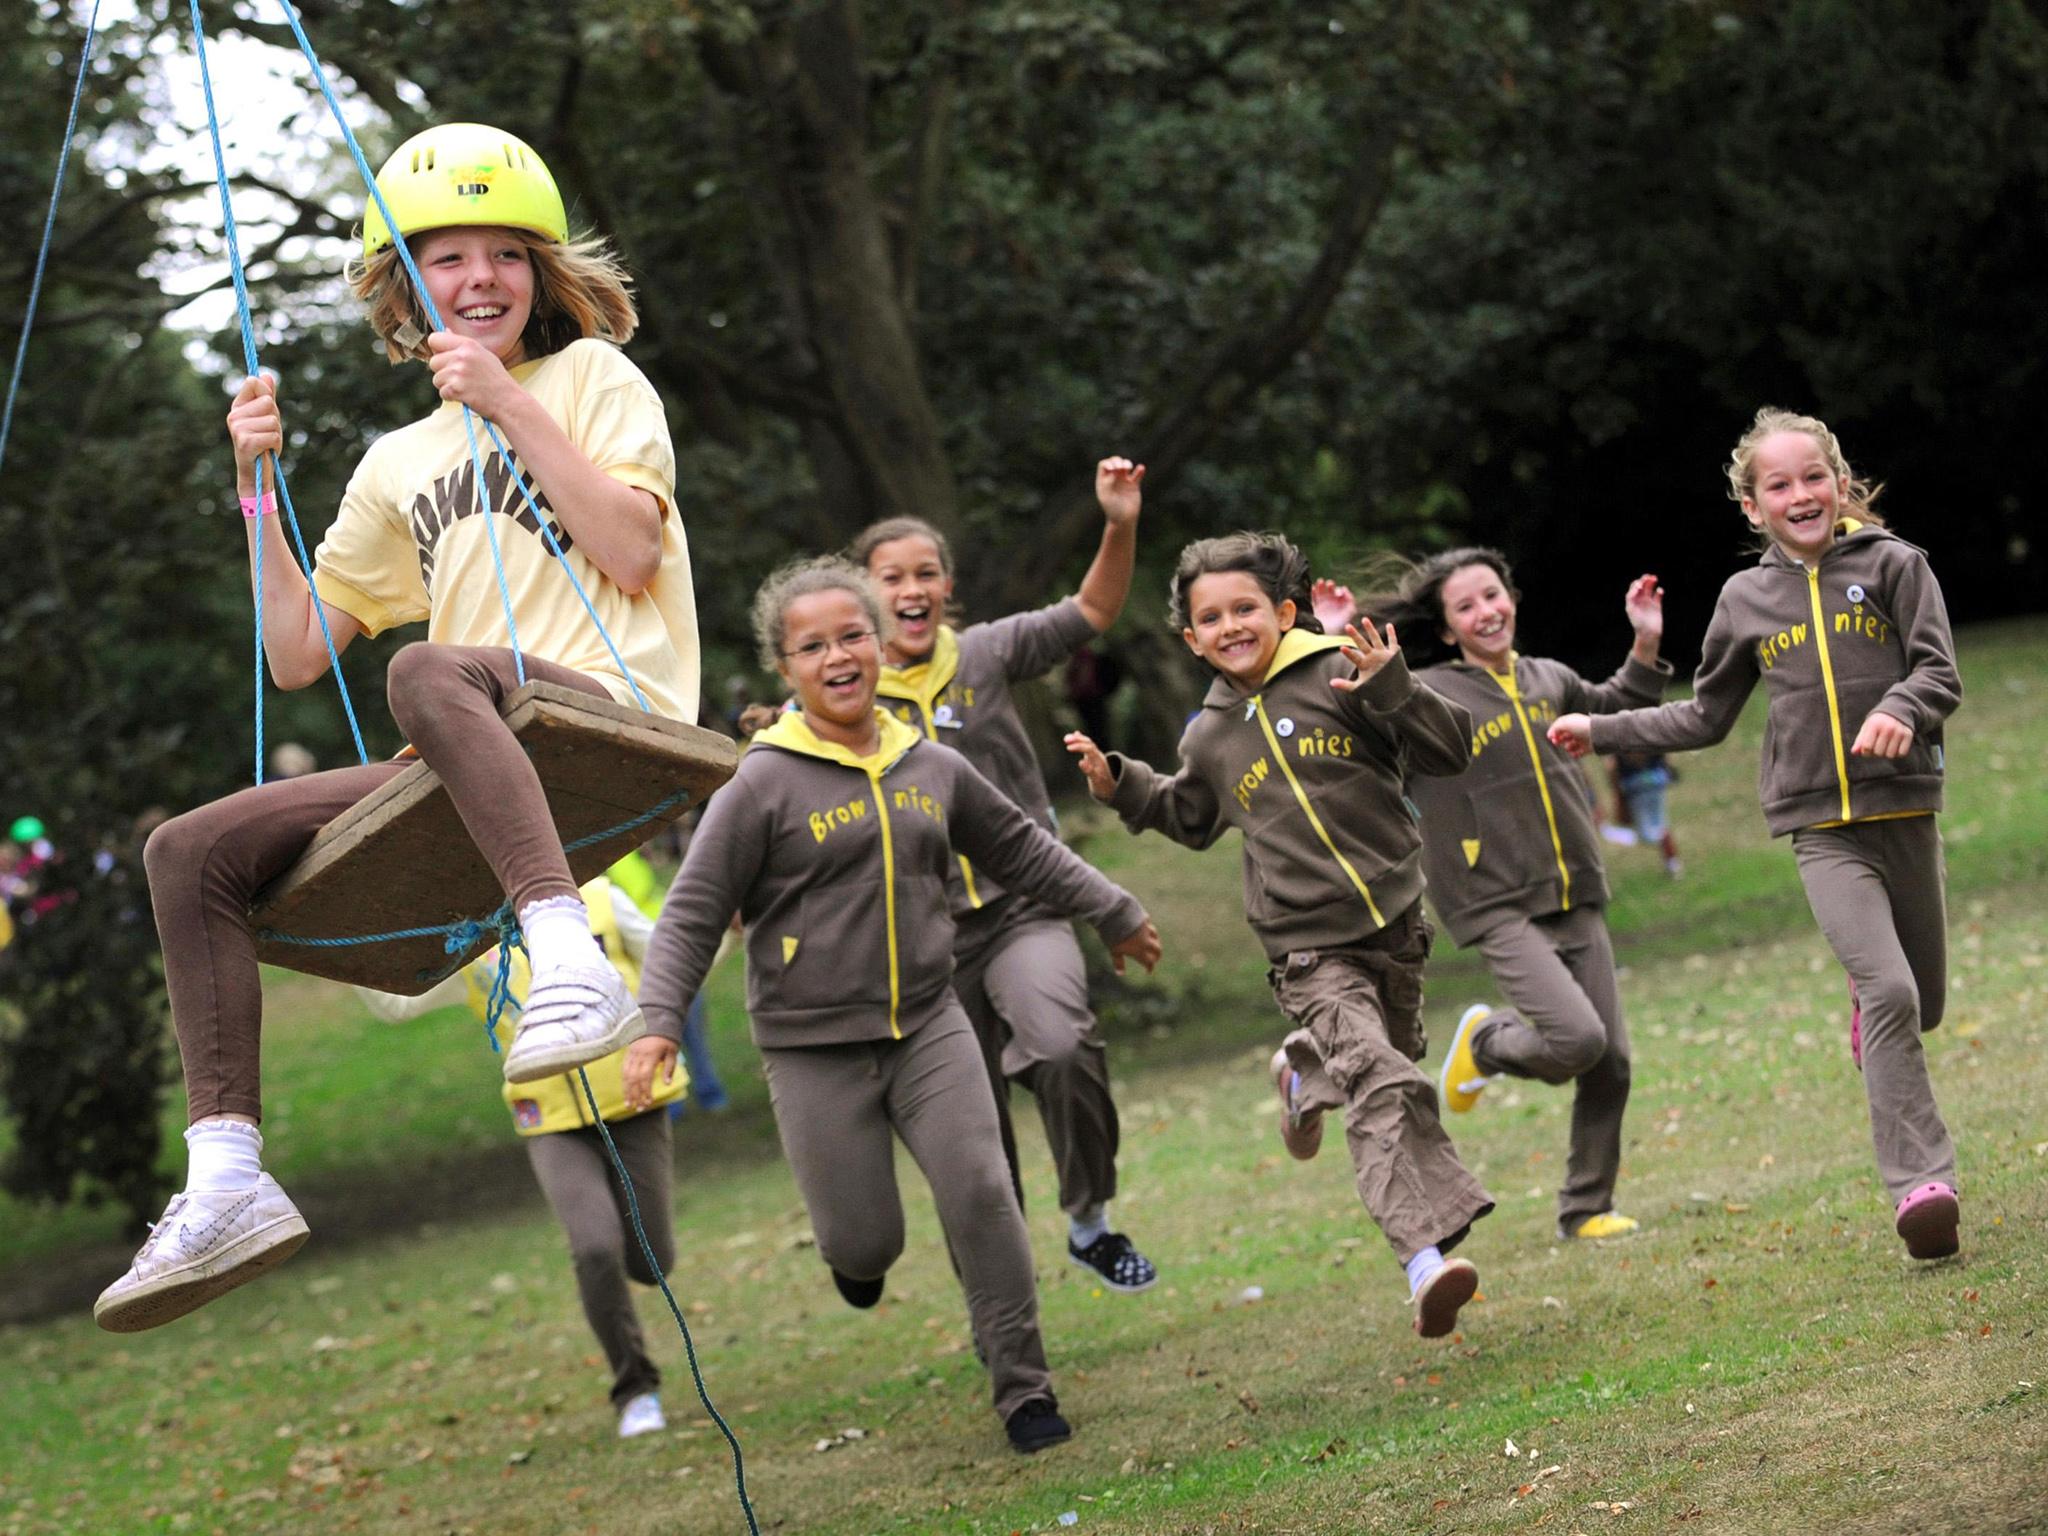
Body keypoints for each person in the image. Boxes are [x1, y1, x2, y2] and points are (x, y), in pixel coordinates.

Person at [94, 122, 699, 1333]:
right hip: (470, 744)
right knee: (186, 852)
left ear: (541, 273)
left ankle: (570, 962)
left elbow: (632, 551)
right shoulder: (396, 461)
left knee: (427, 670)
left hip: (606, 716)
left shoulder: (593, 379)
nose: (481, 279)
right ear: (401, 286)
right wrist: (254, 491)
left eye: (505, 255)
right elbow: (297, 652)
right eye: (447, 258)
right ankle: (227, 1176)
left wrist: (506, 404)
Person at [635, 557, 1163, 1454]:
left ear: (879, 646)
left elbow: (1023, 850)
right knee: (864, 1242)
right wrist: (657, 1028)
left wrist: (1115, 910)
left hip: (927, 1024)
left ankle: (1024, 1390)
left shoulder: (931, 765)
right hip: (812, 1047)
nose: (838, 657)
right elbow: (690, 912)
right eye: (813, 647)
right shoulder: (760, 783)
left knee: (984, 1192)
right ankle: (856, 1260)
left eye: (853, 637)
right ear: (785, 668)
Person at [1550, 407, 1964, 1262]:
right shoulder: (1746, 600)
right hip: (1820, 829)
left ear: (1839, 484)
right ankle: (1922, 1187)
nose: (1800, 494)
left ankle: (1871, 1010)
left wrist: (1902, 708)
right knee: (1890, 992)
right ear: (1752, 505)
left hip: (1904, 812)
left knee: (1919, 1002)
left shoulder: (1896, 566)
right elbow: (1706, 715)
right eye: (1779, 485)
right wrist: (1603, 731)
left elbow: (1939, 671)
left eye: (1813, 477)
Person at [1066, 532, 1494, 1338]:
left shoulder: (1342, 674)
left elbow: (1450, 749)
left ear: (1284, 613)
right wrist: (1121, 783)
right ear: (1192, 640)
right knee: (1384, 1086)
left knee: (1390, 1062)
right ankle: (1423, 1261)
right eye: (1211, 618)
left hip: (1396, 928)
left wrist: (1394, 686)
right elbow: (1187, 815)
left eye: (1245, 609)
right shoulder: (1210, 737)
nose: (1230, 626)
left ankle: (1303, 1074)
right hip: (1305, 949)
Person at [851, 458, 1159, 1292]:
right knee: (969, 1129)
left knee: (1061, 1045)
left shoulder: (985, 653)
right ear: (864, 594)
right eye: (891, 577)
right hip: (925, 944)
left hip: (1026, 909)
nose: (911, 590)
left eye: (925, 574)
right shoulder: (847, 693)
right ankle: (1000, 1295)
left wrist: (1119, 523)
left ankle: (1091, 1223)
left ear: (946, 587)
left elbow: (1094, 610)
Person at [1342, 552, 1669, 1245]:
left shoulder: (1550, 679)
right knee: (1578, 1039)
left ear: (1512, 599)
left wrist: (1644, 641)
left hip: (1574, 884)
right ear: (1447, 630)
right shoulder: (1428, 692)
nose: (1485, 612)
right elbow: (1361, 722)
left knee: (1611, 1061)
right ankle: (1486, 1042)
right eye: (1465, 607)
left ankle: (1586, 1208)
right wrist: (1339, 642)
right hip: (1491, 896)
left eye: (1492, 595)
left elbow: (1619, 712)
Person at [357, 875, 683, 1438]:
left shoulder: (598, 898)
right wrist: (331, 942)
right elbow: (396, 1004)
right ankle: (635, 1389)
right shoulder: (470, 938)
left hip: (634, 1100)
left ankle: (645, 1288)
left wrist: (729, 932)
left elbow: (670, 960)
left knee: (651, 1262)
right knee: (594, 1248)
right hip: (550, 1121)